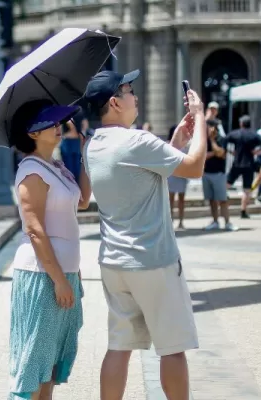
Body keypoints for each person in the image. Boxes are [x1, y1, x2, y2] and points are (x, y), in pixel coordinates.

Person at [83, 69, 206, 400]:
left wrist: (175, 141)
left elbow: (141, 172)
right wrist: (201, 119)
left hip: (114, 261)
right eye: (129, 90)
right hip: (153, 260)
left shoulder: (93, 145)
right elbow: (195, 167)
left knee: (119, 347)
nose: (135, 96)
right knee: (172, 348)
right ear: (114, 102)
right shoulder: (136, 140)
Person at [8, 99, 91, 400]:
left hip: (62, 271)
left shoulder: (55, 166)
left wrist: (84, 155)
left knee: (51, 365)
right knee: (35, 364)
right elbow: (34, 229)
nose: (59, 127)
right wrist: (58, 279)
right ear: (32, 133)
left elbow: (82, 200)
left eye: (59, 122)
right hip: (43, 274)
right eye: (52, 123)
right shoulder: (32, 171)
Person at [225, 115, 261, 219]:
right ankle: (243, 210)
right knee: (247, 190)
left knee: (227, 184)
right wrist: (257, 151)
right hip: (249, 165)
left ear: (241, 124)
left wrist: (230, 151)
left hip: (237, 163)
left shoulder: (236, 133)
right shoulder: (253, 134)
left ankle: (222, 201)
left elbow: (224, 140)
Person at [202, 118, 235, 231]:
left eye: (211, 127)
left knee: (222, 199)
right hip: (206, 173)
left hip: (219, 174)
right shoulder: (203, 140)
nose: (209, 129)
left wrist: (212, 141)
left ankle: (227, 222)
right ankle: (215, 221)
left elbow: (221, 153)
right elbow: (202, 156)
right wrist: (214, 153)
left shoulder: (222, 139)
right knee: (211, 199)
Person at [166, 125, 188, 229]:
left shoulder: (184, 144)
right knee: (170, 199)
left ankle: (181, 221)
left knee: (181, 199)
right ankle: (170, 221)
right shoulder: (167, 144)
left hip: (182, 174)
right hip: (171, 174)